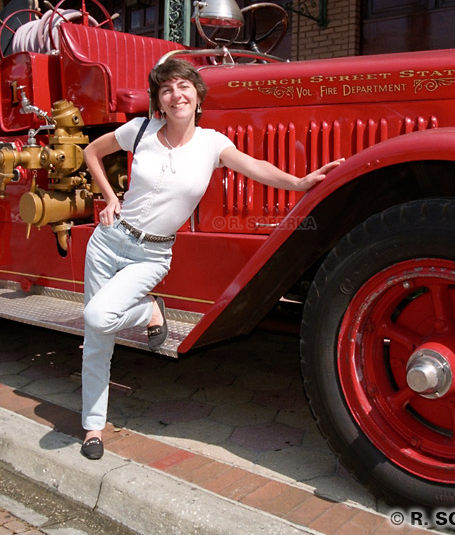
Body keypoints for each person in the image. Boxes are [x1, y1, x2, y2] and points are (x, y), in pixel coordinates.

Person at [78, 58, 342, 460]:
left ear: (197, 97)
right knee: (97, 339)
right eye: (166, 90)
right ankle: (93, 427)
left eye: (183, 86)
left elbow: (253, 167)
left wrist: (298, 183)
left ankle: (150, 311)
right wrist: (111, 198)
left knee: (99, 317)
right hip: (107, 241)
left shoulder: (212, 144)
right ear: (159, 102)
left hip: (151, 254)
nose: (175, 95)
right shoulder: (141, 130)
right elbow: (92, 152)